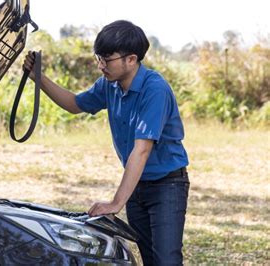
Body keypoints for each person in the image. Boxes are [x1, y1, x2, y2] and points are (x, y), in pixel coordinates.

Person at [22, 20, 190, 265]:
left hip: (167, 185)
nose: (101, 66)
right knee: (150, 259)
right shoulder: (109, 85)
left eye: (106, 59)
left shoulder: (155, 89)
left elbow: (141, 150)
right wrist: (39, 78)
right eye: (98, 58)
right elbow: (74, 104)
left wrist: (115, 203)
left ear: (131, 59)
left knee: (167, 260)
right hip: (137, 184)